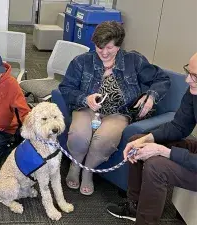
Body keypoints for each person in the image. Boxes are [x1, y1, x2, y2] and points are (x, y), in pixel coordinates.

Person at [59, 21, 170, 196]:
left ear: (118, 45)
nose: (104, 52)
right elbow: (65, 88)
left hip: (119, 113)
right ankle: (75, 165)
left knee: (104, 140)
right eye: (99, 47)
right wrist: (84, 98)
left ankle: (88, 170)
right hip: (86, 109)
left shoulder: (133, 60)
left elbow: (162, 78)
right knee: (79, 136)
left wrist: (152, 95)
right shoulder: (81, 61)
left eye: (109, 48)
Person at [106, 52, 197, 225]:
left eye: (195, 76)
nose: (188, 80)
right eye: (189, 72)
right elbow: (178, 126)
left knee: (157, 166)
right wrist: (147, 139)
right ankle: (135, 205)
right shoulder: (194, 92)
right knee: (138, 140)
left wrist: (165, 152)